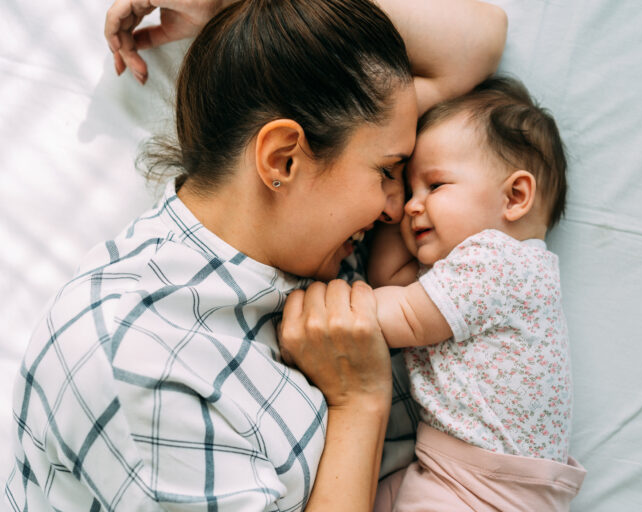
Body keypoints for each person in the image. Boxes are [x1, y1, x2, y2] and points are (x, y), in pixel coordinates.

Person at [5, 0, 507, 510]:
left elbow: (480, 41)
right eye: (386, 171)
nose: (395, 207)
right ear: (282, 159)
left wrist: (254, 11)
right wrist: (359, 402)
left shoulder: (310, 242)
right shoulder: (140, 358)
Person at [368, 77, 586, 511]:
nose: (411, 205)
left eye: (435, 185)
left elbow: (401, 316)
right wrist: (413, 198)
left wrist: (323, 305)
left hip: (485, 488)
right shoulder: (473, 270)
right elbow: (388, 278)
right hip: (464, 475)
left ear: (515, 196)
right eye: (410, 190)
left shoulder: (497, 261)